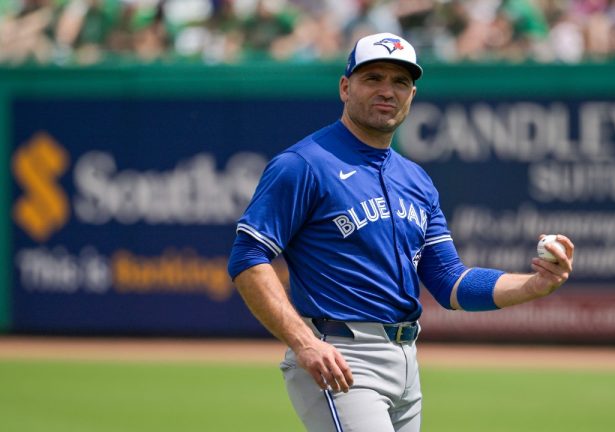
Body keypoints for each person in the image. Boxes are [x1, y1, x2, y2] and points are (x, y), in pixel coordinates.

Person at [227, 32, 574, 432]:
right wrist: (304, 341)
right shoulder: (303, 164)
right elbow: (248, 257)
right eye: (373, 78)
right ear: (345, 87)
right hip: (340, 355)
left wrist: (534, 285)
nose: (387, 91)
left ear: (412, 94)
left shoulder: (416, 180)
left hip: (407, 360)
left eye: (400, 82)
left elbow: (449, 282)